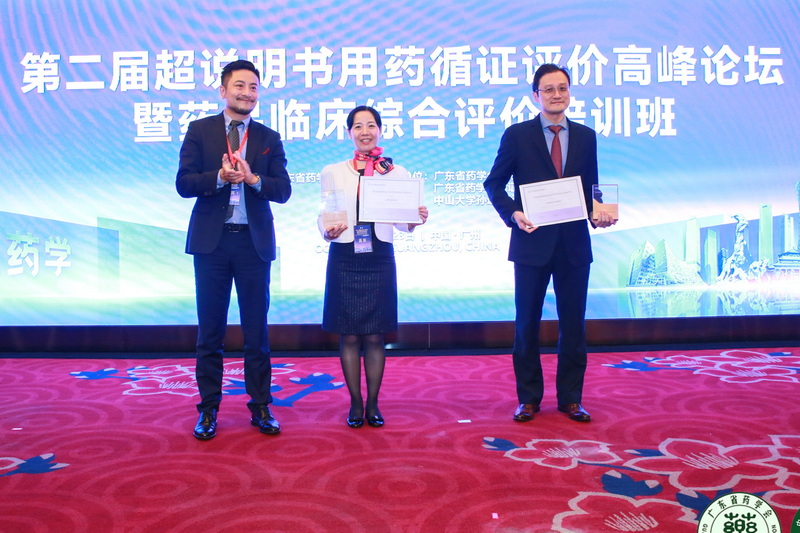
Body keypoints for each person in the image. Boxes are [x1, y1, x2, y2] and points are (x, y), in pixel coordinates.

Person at [483, 64, 616, 424]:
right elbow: (493, 183)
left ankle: (571, 399)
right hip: (531, 241)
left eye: (562, 88)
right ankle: (528, 399)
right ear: (535, 96)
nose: (557, 95)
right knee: (526, 324)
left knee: (573, 325)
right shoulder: (517, 135)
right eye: (549, 89)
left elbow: (591, 187)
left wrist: (599, 213)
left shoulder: (586, 136)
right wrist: (513, 213)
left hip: (574, 243)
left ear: (569, 92)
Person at [176, 59, 292, 440]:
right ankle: (208, 409)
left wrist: (253, 178)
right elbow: (183, 183)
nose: (247, 93)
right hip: (212, 243)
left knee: (256, 331)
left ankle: (261, 406)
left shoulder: (269, 138)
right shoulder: (200, 131)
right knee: (210, 331)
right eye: (240, 86)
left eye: (254, 87)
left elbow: (283, 190)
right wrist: (219, 177)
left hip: (252, 243)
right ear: (223, 90)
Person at [318, 106, 428, 429]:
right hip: (344, 255)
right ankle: (355, 403)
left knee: (376, 336)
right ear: (349, 133)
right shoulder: (333, 171)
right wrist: (327, 231)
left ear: (380, 130)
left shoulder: (396, 172)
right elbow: (325, 213)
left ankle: (374, 404)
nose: (364, 132)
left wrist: (416, 219)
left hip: (379, 255)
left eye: (370, 126)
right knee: (349, 336)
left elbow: (404, 221)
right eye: (358, 126)